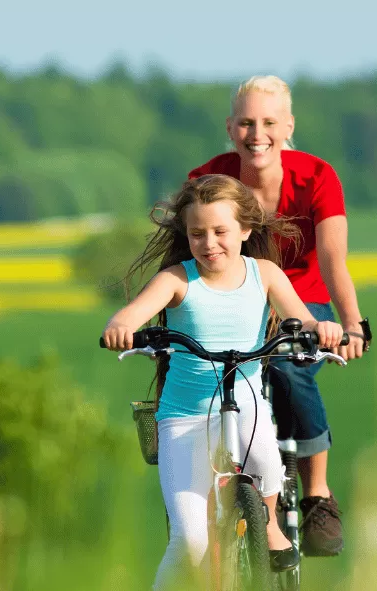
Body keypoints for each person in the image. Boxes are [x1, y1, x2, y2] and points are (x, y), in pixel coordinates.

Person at [102, 174, 344, 589]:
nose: (209, 242)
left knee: (268, 464)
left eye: (220, 231)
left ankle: (267, 525)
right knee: (190, 542)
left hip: (245, 405)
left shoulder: (264, 273)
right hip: (184, 419)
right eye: (197, 234)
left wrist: (319, 329)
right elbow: (129, 316)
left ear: (246, 230)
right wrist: (121, 328)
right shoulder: (177, 279)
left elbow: (299, 317)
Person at [188, 75, 365, 556]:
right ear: (230, 127)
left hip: (303, 305)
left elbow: (332, 260)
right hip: (229, 300)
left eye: (268, 122)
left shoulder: (317, 177)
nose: (256, 133)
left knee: (289, 371)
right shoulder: (208, 179)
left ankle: (317, 495)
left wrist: (352, 323)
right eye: (246, 122)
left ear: (288, 126)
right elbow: (180, 254)